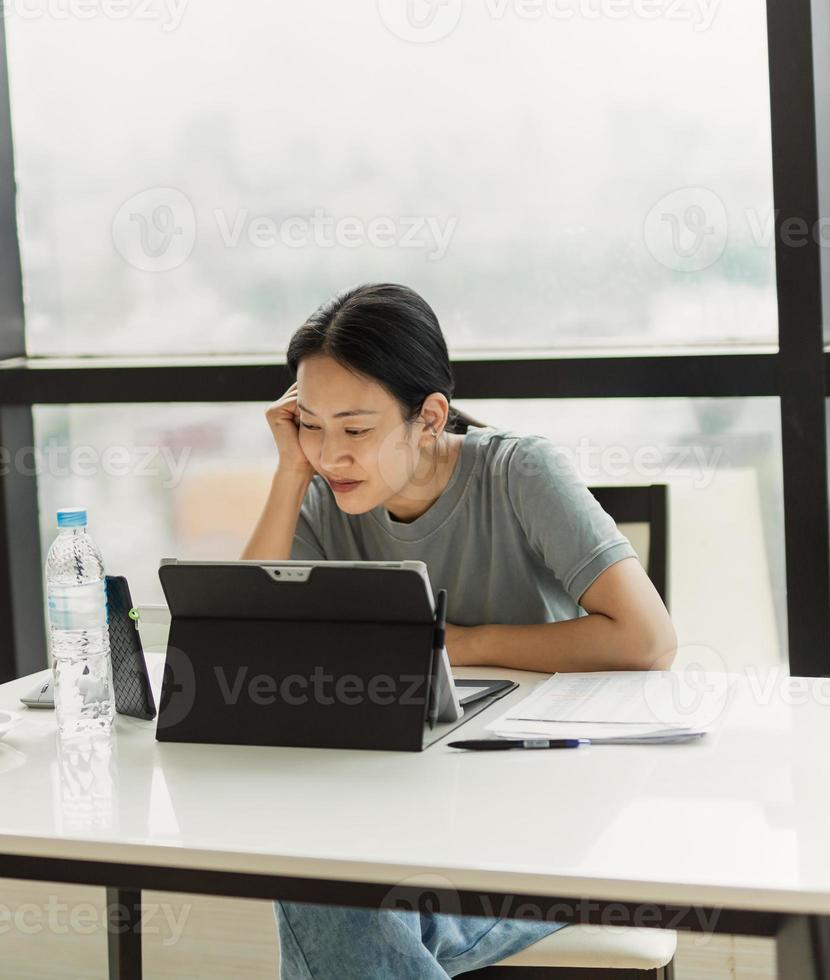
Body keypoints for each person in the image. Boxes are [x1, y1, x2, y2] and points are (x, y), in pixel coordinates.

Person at [241, 283, 676, 979]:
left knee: (323, 895)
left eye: (355, 430)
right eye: (311, 427)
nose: (331, 454)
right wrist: (289, 474)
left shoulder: (518, 473)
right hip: (405, 818)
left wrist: (451, 643)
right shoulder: (322, 493)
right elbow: (247, 638)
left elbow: (647, 640)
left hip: (548, 822)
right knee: (327, 887)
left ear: (429, 417)